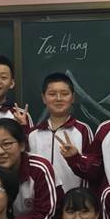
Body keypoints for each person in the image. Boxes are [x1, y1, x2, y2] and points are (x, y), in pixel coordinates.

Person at [0, 119, 58, 219]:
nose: (0, 151)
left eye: (6, 144)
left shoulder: (40, 169)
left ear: (22, 145)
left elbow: (45, 215)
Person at [27, 72, 94, 202]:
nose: (58, 99)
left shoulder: (83, 130)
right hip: (41, 203)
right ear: (44, 98)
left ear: (73, 98)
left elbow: (91, 170)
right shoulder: (33, 134)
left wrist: (76, 157)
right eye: (52, 94)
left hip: (74, 204)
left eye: (64, 94)